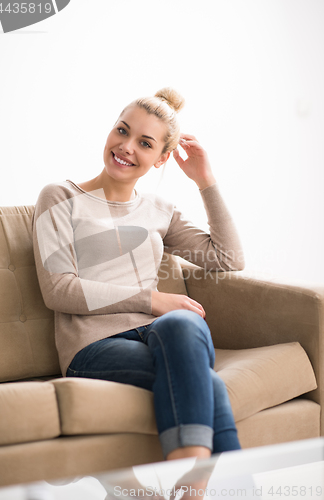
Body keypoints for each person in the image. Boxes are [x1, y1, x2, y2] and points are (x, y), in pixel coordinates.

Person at [32, 87, 245, 463]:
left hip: (158, 336)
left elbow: (228, 258)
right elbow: (58, 290)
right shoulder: (60, 197)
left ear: (161, 158)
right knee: (206, 382)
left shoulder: (159, 210)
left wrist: (205, 180)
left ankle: (192, 481)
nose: (126, 146)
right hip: (92, 347)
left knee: (182, 323)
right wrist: (152, 299)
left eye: (145, 143)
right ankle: (199, 482)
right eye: (122, 130)